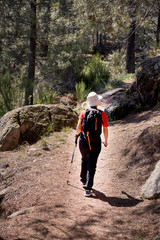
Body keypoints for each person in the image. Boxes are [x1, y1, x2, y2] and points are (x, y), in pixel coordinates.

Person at [75, 92, 108, 197]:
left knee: (84, 158)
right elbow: (105, 129)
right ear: (97, 103)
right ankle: (88, 189)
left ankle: (83, 180)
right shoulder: (102, 114)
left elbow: (78, 128)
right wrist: (105, 140)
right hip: (95, 142)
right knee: (92, 164)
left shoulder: (84, 112)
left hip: (83, 141)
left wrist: (77, 136)